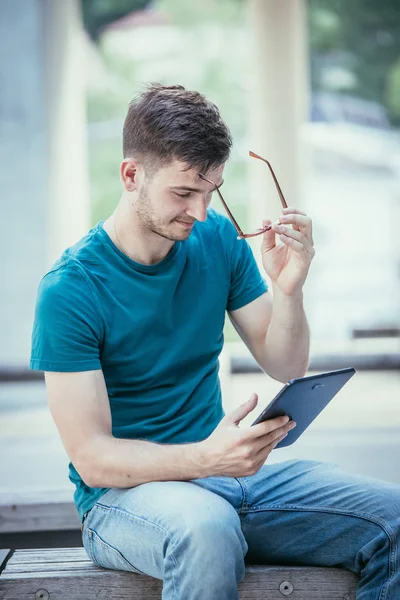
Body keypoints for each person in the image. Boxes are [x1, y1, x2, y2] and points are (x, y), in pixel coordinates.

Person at [30, 84, 399, 600]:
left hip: (225, 479)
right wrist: (209, 459)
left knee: (394, 517)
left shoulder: (218, 240)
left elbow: (285, 362)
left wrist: (288, 289)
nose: (201, 212)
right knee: (205, 530)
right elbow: (93, 458)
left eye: (212, 192)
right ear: (132, 175)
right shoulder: (71, 289)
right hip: (125, 500)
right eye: (183, 193)